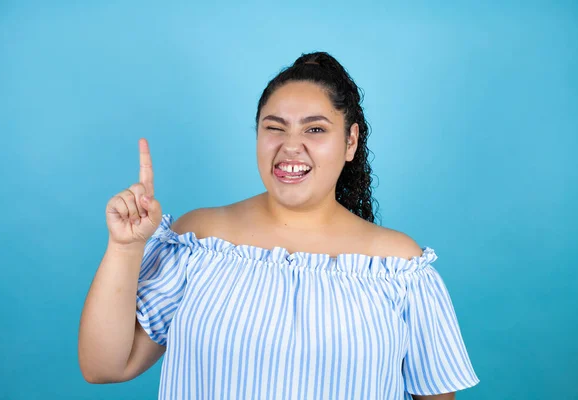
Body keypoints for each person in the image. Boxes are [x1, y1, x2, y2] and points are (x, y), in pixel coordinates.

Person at [78, 51, 480, 400]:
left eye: (315, 129)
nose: (291, 146)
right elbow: (105, 367)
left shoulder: (400, 269)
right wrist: (126, 247)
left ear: (351, 141)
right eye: (275, 127)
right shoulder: (198, 240)